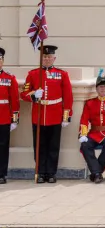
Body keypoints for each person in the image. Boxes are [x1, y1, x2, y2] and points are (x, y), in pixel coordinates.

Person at [20, 45, 73, 183]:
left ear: (54, 58)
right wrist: (33, 95)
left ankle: (51, 173)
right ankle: (40, 172)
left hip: (55, 114)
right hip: (38, 114)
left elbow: (68, 96)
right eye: (44, 57)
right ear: (41, 58)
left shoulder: (62, 74)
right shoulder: (33, 74)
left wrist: (66, 115)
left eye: (49, 57)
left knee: (53, 146)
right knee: (39, 146)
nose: (47, 59)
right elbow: (24, 94)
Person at [77, 74, 105, 183]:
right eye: (100, 87)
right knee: (85, 145)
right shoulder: (90, 103)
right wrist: (83, 134)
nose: (103, 89)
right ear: (96, 89)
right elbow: (84, 120)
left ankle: (96, 173)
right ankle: (97, 173)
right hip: (94, 133)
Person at [0, 47, 19, 184]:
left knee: (2, 147)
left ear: (3, 61)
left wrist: (14, 119)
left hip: (3, 117)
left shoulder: (9, 78)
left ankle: (1, 174)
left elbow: (15, 100)